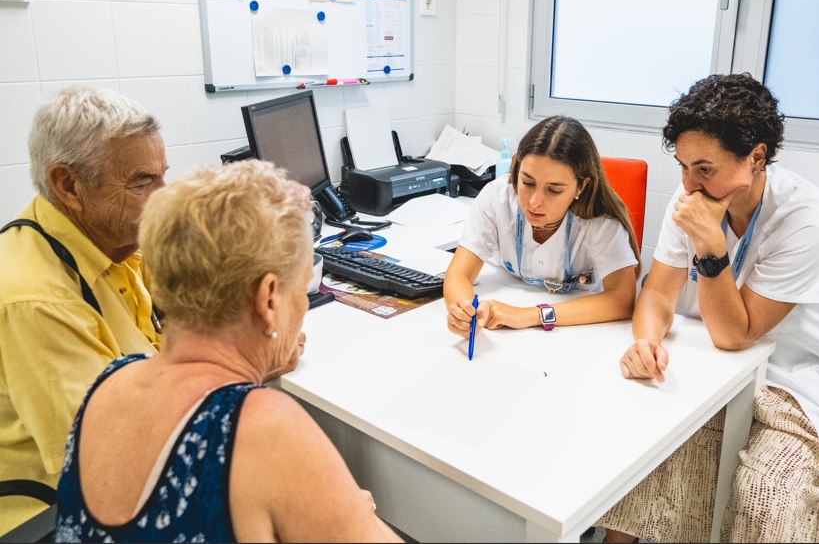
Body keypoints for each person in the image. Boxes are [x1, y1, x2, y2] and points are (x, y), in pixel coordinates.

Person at [597, 73, 819, 543]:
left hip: (800, 384)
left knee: (763, 497)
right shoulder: (693, 196)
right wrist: (646, 340)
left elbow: (736, 333)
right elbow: (655, 293)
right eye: (684, 166)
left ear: (757, 156)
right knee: (642, 449)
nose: (689, 183)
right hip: (716, 369)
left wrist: (711, 246)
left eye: (705, 169)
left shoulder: (809, 221)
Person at [53, 160, 401, 543]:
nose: (302, 307)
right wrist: (351, 506)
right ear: (269, 299)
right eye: (301, 288)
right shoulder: (264, 428)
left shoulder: (109, 382)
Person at [0, 86, 169, 534]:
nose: (163, 196)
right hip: (54, 515)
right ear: (69, 185)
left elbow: (188, 308)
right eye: (142, 181)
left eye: (162, 176)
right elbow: (107, 463)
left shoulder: (113, 237)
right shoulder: (35, 300)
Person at [444, 115, 640, 337]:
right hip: (502, 327)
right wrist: (463, 310)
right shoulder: (496, 196)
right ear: (516, 166)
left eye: (554, 190)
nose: (535, 201)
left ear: (580, 187)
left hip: (578, 333)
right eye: (527, 182)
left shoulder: (601, 220)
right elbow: (458, 274)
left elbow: (622, 301)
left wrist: (531, 315)